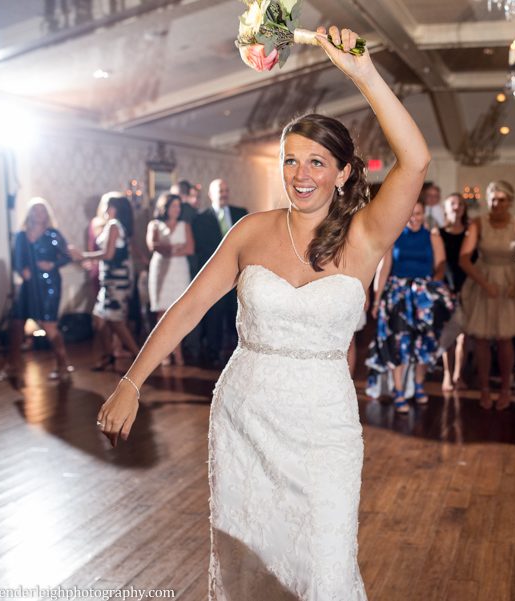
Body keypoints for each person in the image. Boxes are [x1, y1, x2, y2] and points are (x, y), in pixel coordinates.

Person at [95, 26, 429, 599]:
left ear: (345, 172)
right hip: (245, 416)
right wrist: (131, 381)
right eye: (291, 161)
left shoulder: (367, 236)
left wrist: (364, 74)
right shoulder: (251, 231)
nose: (301, 175)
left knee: (323, 565)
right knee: (246, 563)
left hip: (324, 425)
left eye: (317, 162)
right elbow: (190, 306)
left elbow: (416, 159)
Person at [458, 180, 515, 410]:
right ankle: (485, 388)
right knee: (482, 339)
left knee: (506, 339)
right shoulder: (479, 223)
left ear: (510, 202)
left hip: (509, 285)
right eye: (493, 199)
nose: (497, 204)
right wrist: (484, 283)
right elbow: (464, 259)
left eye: (502, 199)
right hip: (483, 281)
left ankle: (506, 389)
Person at [367, 199, 453, 413]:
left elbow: (441, 264)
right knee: (399, 343)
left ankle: (418, 384)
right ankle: (398, 391)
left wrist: (432, 286)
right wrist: (377, 300)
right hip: (397, 295)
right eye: (410, 214)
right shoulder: (393, 236)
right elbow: (383, 269)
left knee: (424, 343)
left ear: (425, 215)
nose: (414, 218)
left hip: (423, 295)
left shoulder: (433, 237)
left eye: (418, 214)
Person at [0, 198, 80, 381]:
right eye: (35, 210)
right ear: (30, 213)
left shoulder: (53, 235)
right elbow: (16, 259)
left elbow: (68, 257)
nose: (38, 213)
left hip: (49, 283)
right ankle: (12, 365)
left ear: (47, 214)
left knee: (48, 324)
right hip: (28, 285)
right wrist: (22, 270)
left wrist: (52, 264)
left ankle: (62, 364)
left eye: (42, 210)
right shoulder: (21, 236)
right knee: (17, 323)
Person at [192, 178, 247, 366]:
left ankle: (241, 353)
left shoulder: (241, 213)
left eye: (225, 189)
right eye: (219, 190)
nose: (223, 193)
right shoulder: (200, 219)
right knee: (214, 314)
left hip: (240, 273)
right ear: (210, 194)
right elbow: (202, 248)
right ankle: (213, 353)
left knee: (238, 312)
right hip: (214, 276)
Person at [83, 194, 141, 370]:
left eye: (109, 207)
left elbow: (108, 254)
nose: (106, 210)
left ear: (115, 209)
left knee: (116, 321)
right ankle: (108, 355)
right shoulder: (117, 226)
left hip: (116, 281)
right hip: (110, 280)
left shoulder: (114, 225)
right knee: (100, 319)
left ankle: (140, 359)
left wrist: (83, 256)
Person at [147, 193, 194, 366]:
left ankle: (178, 352)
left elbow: (189, 248)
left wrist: (168, 249)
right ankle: (162, 353)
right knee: (161, 313)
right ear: (165, 207)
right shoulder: (155, 224)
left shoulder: (184, 225)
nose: (177, 209)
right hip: (161, 270)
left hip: (179, 270)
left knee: (177, 312)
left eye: (178, 206)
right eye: (173, 205)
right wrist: (174, 248)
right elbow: (153, 246)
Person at [439, 192, 469, 391]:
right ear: (446, 209)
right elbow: (439, 263)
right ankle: (447, 375)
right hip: (445, 287)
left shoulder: (470, 233)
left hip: (468, 287)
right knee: (448, 335)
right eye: (452, 204)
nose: (456, 207)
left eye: (459, 204)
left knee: (465, 335)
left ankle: (459, 374)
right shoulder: (438, 233)